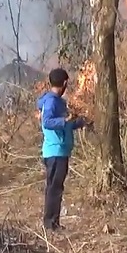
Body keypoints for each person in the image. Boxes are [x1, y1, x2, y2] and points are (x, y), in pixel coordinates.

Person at [37, 68, 89, 231]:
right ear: (65, 83)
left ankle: (53, 222)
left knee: (55, 187)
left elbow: (64, 124)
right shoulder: (52, 101)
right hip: (55, 151)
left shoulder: (57, 101)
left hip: (59, 151)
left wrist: (79, 123)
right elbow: (47, 122)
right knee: (54, 188)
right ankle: (51, 224)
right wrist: (65, 119)